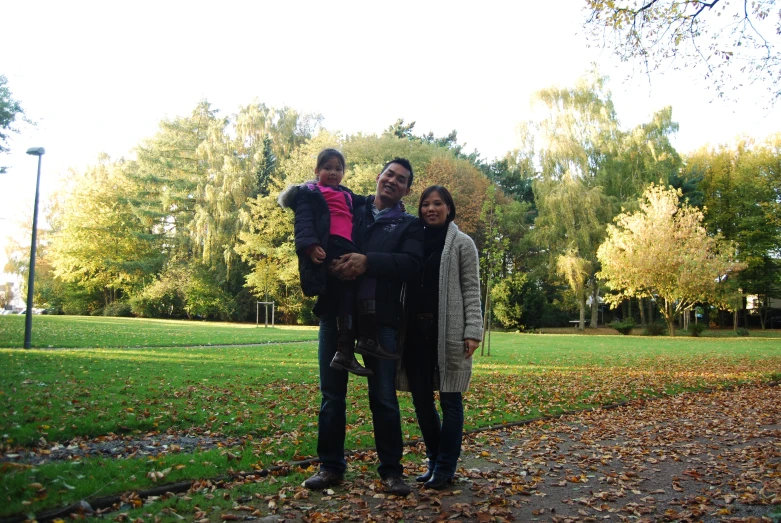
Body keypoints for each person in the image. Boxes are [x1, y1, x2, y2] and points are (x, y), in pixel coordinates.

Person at [303, 158, 423, 496]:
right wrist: (329, 265)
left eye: (400, 179)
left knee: (383, 397)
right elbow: (318, 224)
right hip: (336, 312)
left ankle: (391, 471)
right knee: (331, 394)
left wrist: (367, 262)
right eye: (388, 174)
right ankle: (330, 466)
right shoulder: (350, 205)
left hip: (380, 318)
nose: (392, 181)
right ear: (377, 177)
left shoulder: (408, 225)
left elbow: (412, 265)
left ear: (406, 190)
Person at [398, 185, 483, 490]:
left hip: (447, 331)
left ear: (449, 207)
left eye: (437, 203)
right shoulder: (414, 241)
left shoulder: (462, 243)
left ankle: (446, 466)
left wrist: (473, 331)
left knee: (450, 398)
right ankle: (434, 460)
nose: (430, 209)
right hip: (414, 331)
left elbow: (472, 290)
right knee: (421, 401)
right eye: (425, 204)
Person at [278, 148, 371, 376]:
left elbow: (369, 201)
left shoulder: (347, 194)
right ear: (317, 170)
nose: (333, 172)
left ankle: (352, 347)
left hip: (348, 245)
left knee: (350, 290)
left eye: (338, 169)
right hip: (330, 244)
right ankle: (348, 349)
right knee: (344, 286)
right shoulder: (309, 193)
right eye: (327, 168)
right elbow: (304, 222)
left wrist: (385, 200)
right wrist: (310, 245)